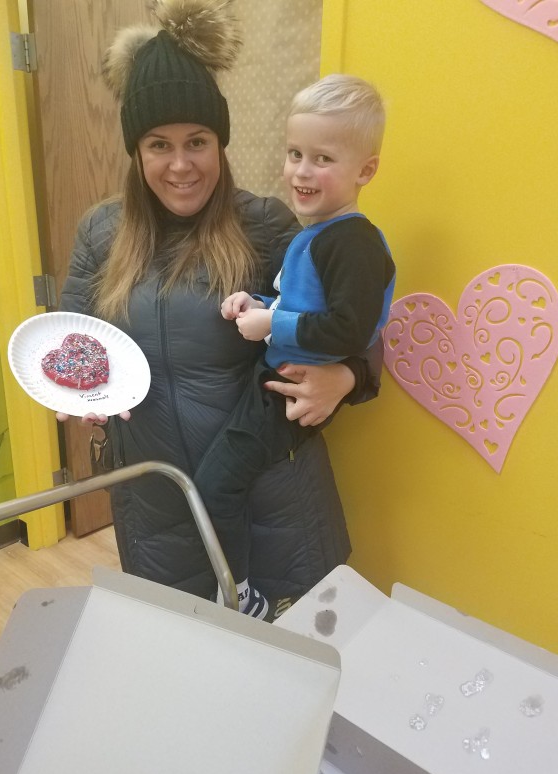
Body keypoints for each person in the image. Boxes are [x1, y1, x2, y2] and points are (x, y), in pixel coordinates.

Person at [58, 0, 379, 619]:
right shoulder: (101, 233)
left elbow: (356, 319)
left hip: (274, 500)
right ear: (136, 151)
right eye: (159, 144)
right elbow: (72, 340)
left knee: (292, 658)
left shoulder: (265, 225)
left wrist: (345, 376)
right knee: (189, 655)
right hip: (158, 500)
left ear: (220, 144)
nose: (181, 165)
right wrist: (76, 391)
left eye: (197, 142)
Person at [193, 74, 396, 618]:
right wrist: (256, 302)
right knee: (220, 483)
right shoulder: (320, 233)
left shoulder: (353, 242)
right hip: (279, 379)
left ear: (365, 170)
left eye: (322, 158)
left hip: (288, 390)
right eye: (295, 154)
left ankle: (241, 596)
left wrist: (272, 326)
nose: (302, 171)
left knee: (215, 486)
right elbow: (299, 302)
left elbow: (349, 330)